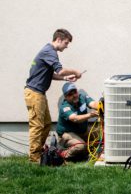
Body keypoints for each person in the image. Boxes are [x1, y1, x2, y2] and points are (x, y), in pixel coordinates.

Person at [24, 29, 83, 162]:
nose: (67, 46)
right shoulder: (49, 51)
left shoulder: (49, 52)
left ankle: (39, 153)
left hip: (39, 93)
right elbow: (60, 70)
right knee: (37, 126)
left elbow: (51, 74)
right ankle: (34, 158)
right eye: (66, 43)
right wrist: (75, 71)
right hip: (34, 93)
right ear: (59, 39)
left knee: (46, 124)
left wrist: (66, 79)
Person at [57, 82, 99, 160]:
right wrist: (90, 115)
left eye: (75, 92)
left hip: (82, 131)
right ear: (65, 97)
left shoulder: (82, 97)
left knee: (99, 134)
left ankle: (87, 152)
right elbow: (75, 118)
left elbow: (93, 104)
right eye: (70, 94)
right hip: (67, 134)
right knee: (80, 146)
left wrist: (102, 106)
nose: (74, 95)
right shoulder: (65, 107)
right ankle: (62, 154)